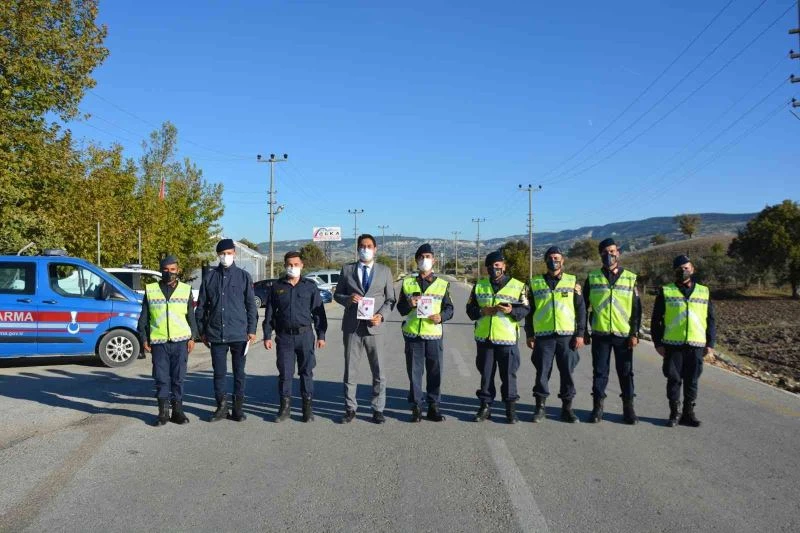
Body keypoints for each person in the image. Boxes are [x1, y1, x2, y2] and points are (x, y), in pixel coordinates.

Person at [333, 234, 396, 424]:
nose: (365, 249)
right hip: (352, 328)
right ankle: (350, 408)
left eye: (369, 246)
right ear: (357, 249)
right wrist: (348, 299)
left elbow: (390, 299)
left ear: (375, 249)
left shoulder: (384, 271)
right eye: (362, 246)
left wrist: (381, 316)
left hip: (374, 327)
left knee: (379, 371)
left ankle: (378, 409)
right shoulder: (347, 269)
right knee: (350, 370)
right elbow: (337, 295)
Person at [196, 238, 258, 422]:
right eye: (222, 254)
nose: (225, 256)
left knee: (239, 373)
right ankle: (222, 407)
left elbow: (251, 306)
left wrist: (252, 329)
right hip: (216, 334)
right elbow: (201, 307)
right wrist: (202, 331)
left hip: (239, 333)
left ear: (234, 254)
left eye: (229, 253)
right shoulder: (209, 278)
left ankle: (238, 409)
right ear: (218, 255)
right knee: (219, 374)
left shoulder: (243, 277)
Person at [651, 255, 716, 427]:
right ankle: (675, 413)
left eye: (686, 268)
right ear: (674, 271)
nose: (683, 271)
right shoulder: (666, 291)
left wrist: (710, 344)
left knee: (692, 380)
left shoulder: (704, 291)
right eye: (680, 269)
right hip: (673, 345)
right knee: (673, 380)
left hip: (696, 344)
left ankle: (689, 413)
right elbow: (656, 320)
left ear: (692, 269)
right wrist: (658, 343)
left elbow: (710, 319)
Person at [263, 251, 327, 422]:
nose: (293, 267)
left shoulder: (310, 286)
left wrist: (321, 334)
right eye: (289, 265)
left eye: (296, 264)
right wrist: (267, 335)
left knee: (306, 372)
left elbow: (319, 312)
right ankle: (285, 409)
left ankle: (307, 409)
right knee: (285, 373)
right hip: (284, 337)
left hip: (305, 335)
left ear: (302, 265)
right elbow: (270, 313)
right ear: (285, 266)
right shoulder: (277, 287)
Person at [466, 250, 530, 424]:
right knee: (486, 375)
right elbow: (470, 310)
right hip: (485, 339)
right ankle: (485, 407)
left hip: (507, 339)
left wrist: (511, 310)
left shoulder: (519, 286)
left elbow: (526, 309)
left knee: (509, 375)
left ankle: (510, 410)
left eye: (497, 265)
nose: (494, 269)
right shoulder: (479, 286)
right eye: (490, 266)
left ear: (504, 266)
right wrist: (482, 311)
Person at [583, 238, 642, 424]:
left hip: (623, 336)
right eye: (605, 252)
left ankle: (629, 409)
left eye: (612, 251)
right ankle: (597, 408)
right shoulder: (592, 278)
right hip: (600, 334)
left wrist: (635, 333)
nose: (609, 255)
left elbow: (636, 309)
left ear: (618, 253)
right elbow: (583, 307)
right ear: (600, 255)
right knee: (600, 373)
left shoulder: (630, 278)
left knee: (626, 373)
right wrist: (583, 331)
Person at [524, 246, 586, 423]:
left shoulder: (572, 281)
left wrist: (580, 334)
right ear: (546, 261)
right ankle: (540, 408)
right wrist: (529, 334)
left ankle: (567, 409)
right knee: (542, 373)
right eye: (551, 258)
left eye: (557, 258)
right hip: (544, 337)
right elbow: (529, 311)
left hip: (567, 336)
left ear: (562, 260)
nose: (554, 261)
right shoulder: (535, 283)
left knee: (567, 373)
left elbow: (581, 309)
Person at [396, 243, 454, 422]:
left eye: (428, 257)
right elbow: (400, 309)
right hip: (413, 335)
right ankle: (416, 407)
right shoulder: (407, 283)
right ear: (416, 260)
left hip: (433, 335)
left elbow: (450, 309)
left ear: (434, 260)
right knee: (414, 373)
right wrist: (409, 304)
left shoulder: (442, 284)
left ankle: (434, 406)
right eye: (421, 257)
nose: (424, 260)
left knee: (435, 371)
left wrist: (441, 316)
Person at [138, 255, 198, 426]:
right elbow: (144, 317)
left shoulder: (185, 290)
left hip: (181, 342)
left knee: (178, 378)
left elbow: (191, 316)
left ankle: (178, 412)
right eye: (165, 270)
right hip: (159, 342)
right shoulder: (151, 290)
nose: (169, 273)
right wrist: (143, 338)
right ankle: (163, 413)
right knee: (161, 378)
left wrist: (193, 336)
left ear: (178, 270)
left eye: (172, 269)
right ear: (161, 270)